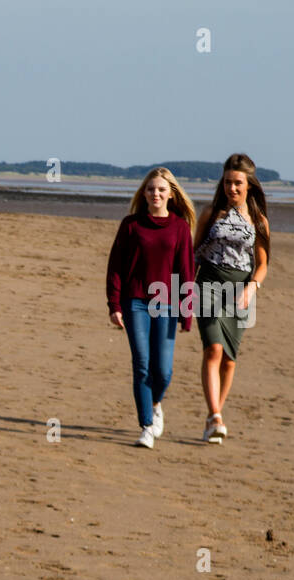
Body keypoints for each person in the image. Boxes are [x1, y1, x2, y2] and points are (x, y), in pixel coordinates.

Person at [105, 167, 196, 448]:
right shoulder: (131, 225)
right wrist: (114, 304)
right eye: (150, 189)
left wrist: (187, 313)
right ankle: (146, 425)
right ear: (143, 193)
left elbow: (186, 271)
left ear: (171, 194)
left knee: (164, 370)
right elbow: (116, 267)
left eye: (161, 190)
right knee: (142, 364)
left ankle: (156, 404)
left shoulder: (180, 228)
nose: (155, 194)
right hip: (136, 303)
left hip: (167, 304)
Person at [193, 153, 270, 443]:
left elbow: (262, 263)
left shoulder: (259, 220)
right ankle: (215, 416)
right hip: (209, 283)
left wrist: (252, 288)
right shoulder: (211, 213)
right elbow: (194, 253)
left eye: (237, 183)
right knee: (213, 349)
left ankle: (213, 417)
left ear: (249, 184)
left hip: (240, 291)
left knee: (229, 359)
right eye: (227, 182)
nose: (232, 188)